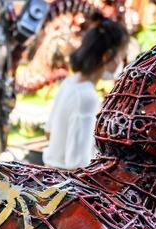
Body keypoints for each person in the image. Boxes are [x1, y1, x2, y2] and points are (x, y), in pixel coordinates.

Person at [42, 18, 128, 170]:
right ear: (107, 56)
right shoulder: (87, 97)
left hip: (50, 173)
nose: (122, 62)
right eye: (121, 56)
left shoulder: (70, 82)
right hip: (65, 185)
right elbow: (78, 164)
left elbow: (48, 132)